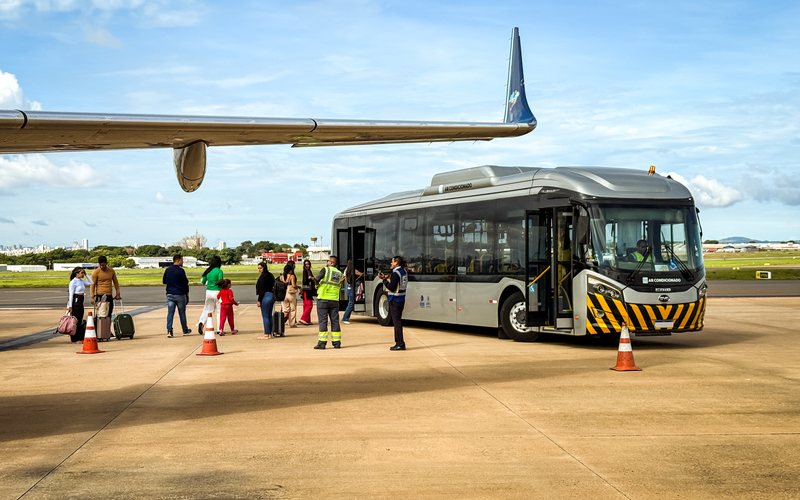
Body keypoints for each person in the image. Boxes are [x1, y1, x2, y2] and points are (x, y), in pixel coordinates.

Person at [314, 255, 344, 349]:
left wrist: (316, 285)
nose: (327, 262)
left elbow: (317, 279)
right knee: (335, 321)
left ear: (331, 262)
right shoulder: (340, 273)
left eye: (328, 261)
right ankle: (337, 342)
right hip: (334, 300)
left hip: (323, 298)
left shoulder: (325, 270)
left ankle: (322, 343)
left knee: (323, 321)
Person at [381, 255, 409, 351]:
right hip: (401, 299)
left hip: (395, 299)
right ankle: (399, 343)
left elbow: (392, 287)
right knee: (398, 321)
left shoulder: (395, 273)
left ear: (396, 263)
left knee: (397, 323)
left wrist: (384, 281)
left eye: (392, 262)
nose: (391, 263)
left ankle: (400, 343)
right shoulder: (403, 271)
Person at [163, 254, 191, 338]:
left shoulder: (167, 270)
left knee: (170, 313)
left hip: (170, 294)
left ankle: (169, 331)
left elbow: (164, 281)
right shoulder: (181, 271)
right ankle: (185, 330)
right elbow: (185, 283)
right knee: (182, 313)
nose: (182, 262)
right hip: (180, 294)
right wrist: (186, 294)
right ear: (178, 260)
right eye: (182, 260)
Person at [197, 255, 224, 334]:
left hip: (208, 292)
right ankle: (219, 329)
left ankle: (201, 322)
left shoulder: (208, 271)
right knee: (219, 311)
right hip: (217, 292)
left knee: (207, 309)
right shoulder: (219, 271)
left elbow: (202, 281)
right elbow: (221, 282)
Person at [67, 266, 92, 343]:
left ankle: (80, 337)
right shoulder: (73, 282)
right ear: (76, 273)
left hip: (81, 300)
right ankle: (75, 338)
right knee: (76, 319)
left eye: (83, 273)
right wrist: (70, 306)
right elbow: (71, 294)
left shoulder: (81, 281)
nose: (83, 274)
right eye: (82, 273)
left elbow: (91, 282)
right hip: (76, 300)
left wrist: (87, 274)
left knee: (80, 319)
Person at [255, 262, 276, 339]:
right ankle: (270, 333)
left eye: (260, 268)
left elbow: (261, 290)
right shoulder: (270, 275)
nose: (259, 269)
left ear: (264, 268)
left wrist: (259, 300)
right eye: (258, 268)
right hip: (271, 295)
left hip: (265, 296)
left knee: (265, 316)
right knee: (269, 315)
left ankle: (266, 334)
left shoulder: (263, 277)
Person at [341, 259, 363, 324]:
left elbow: (344, 278)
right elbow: (360, 274)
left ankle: (345, 317)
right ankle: (345, 318)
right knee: (351, 303)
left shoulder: (346, 270)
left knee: (350, 303)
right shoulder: (354, 270)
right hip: (352, 288)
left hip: (348, 288)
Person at [299, 259, 316, 325]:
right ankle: (303, 318)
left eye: (308, 264)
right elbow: (305, 281)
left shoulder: (309, 271)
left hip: (308, 290)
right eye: (306, 264)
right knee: (309, 305)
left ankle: (307, 320)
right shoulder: (306, 271)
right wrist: (311, 278)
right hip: (307, 290)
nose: (307, 265)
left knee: (306, 305)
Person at [282, 264, 299, 328]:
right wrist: (299, 287)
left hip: (284, 293)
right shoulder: (292, 276)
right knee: (292, 309)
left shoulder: (282, 276)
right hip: (290, 293)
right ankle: (292, 323)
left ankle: (282, 320)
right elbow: (294, 285)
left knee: (285, 309)